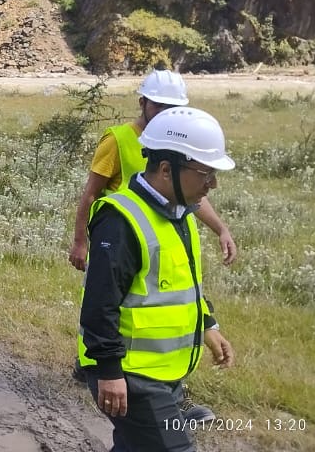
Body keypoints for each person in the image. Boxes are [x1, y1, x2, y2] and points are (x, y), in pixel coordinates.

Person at [78, 107, 236, 452]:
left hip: (162, 372)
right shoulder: (121, 220)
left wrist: (207, 325)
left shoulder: (181, 214)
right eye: (206, 173)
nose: (212, 184)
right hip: (131, 374)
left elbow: (181, 286)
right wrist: (110, 372)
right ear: (166, 169)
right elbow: (99, 305)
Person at [69, 70, 237, 271]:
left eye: (172, 107)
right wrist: (80, 241)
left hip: (161, 241)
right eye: (158, 105)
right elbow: (91, 193)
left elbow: (189, 192)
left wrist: (221, 230)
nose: (165, 112)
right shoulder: (117, 140)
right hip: (122, 237)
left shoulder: (177, 142)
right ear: (142, 103)